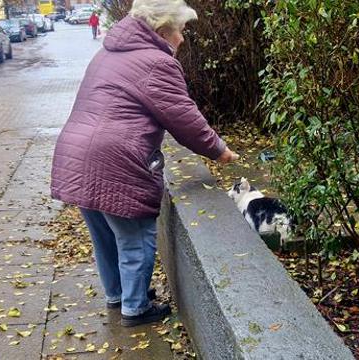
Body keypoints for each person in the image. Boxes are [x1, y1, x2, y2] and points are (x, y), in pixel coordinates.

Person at [50, 0, 239, 327]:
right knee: (135, 238)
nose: (183, 38)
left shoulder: (109, 52)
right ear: (163, 29)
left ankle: (118, 294)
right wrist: (219, 150)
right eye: (180, 30)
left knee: (105, 237)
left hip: (77, 156)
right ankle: (136, 308)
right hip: (113, 160)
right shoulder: (156, 62)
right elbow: (183, 118)